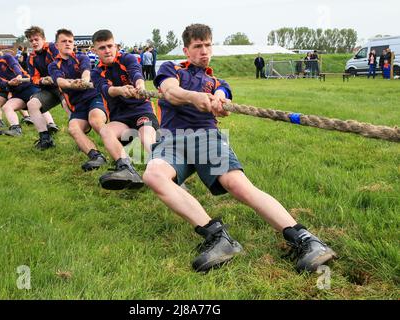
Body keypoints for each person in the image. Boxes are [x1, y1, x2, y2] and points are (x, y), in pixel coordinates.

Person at [143, 23, 336, 273]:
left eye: (208, 45)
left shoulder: (216, 82)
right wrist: (194, 97)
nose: (204, 51)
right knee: (153, 174)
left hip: (207, 137)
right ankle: (218, 238)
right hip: (171, 139)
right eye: (197, 46)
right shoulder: (172, 68)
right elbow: (170, 91)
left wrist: (221, 101)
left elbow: (223, 95)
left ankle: (307, 240)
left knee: (236, 184)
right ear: (186, 49)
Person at [91, 29, 159, 190]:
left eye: (110, 46)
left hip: (142, 110)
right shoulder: (96, 72)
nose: (107, 50)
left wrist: (140, 86)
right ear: (94, 51)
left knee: (146, 137)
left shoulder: (127, 58)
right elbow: (106, 90)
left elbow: (136, 72)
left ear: (116, 46)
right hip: (120, 117)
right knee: (106, 131)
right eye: (102, 48)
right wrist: (121, 90)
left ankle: (166, 170)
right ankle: (127, 169)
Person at [48, 29, 108, 171]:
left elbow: (86, 72)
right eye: (64, 41)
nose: (68, 44)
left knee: (95, 120)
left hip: (93, 96)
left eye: (70, 41)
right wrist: (72, 84)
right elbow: (61, 82)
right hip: (77, 104)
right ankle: (96, 156)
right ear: (56, 45)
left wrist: (84, 81)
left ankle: (123, 151)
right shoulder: (53, 65)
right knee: (73, 128)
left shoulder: (82, 57)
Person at [0, 51, 39, 137]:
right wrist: (9, 83)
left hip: (27, 85)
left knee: (36, 104)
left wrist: (18, 76)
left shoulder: (5, 58)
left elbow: (15, 65)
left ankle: (49, 124)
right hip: (11, 89)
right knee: (4, 105)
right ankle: (14, 128)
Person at [25, 26, 64, 150]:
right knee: (32, 104)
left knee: (69, 107)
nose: (34, 43)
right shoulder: (31, 58)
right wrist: (42, 80)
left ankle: (81, 137)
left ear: (44, 39)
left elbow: (63, 64)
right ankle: (45, 139)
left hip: (65, 86)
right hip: (48, 89)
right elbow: (33, 78)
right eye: (31, 41)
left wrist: (54, 77)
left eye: (36, 39)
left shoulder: (53, 48)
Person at [0, 38, 33, 129]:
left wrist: (16, 78)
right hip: (4, 87)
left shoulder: (4, 58)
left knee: (15, 98)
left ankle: (27, 117)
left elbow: (17, 68)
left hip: (17, 85)